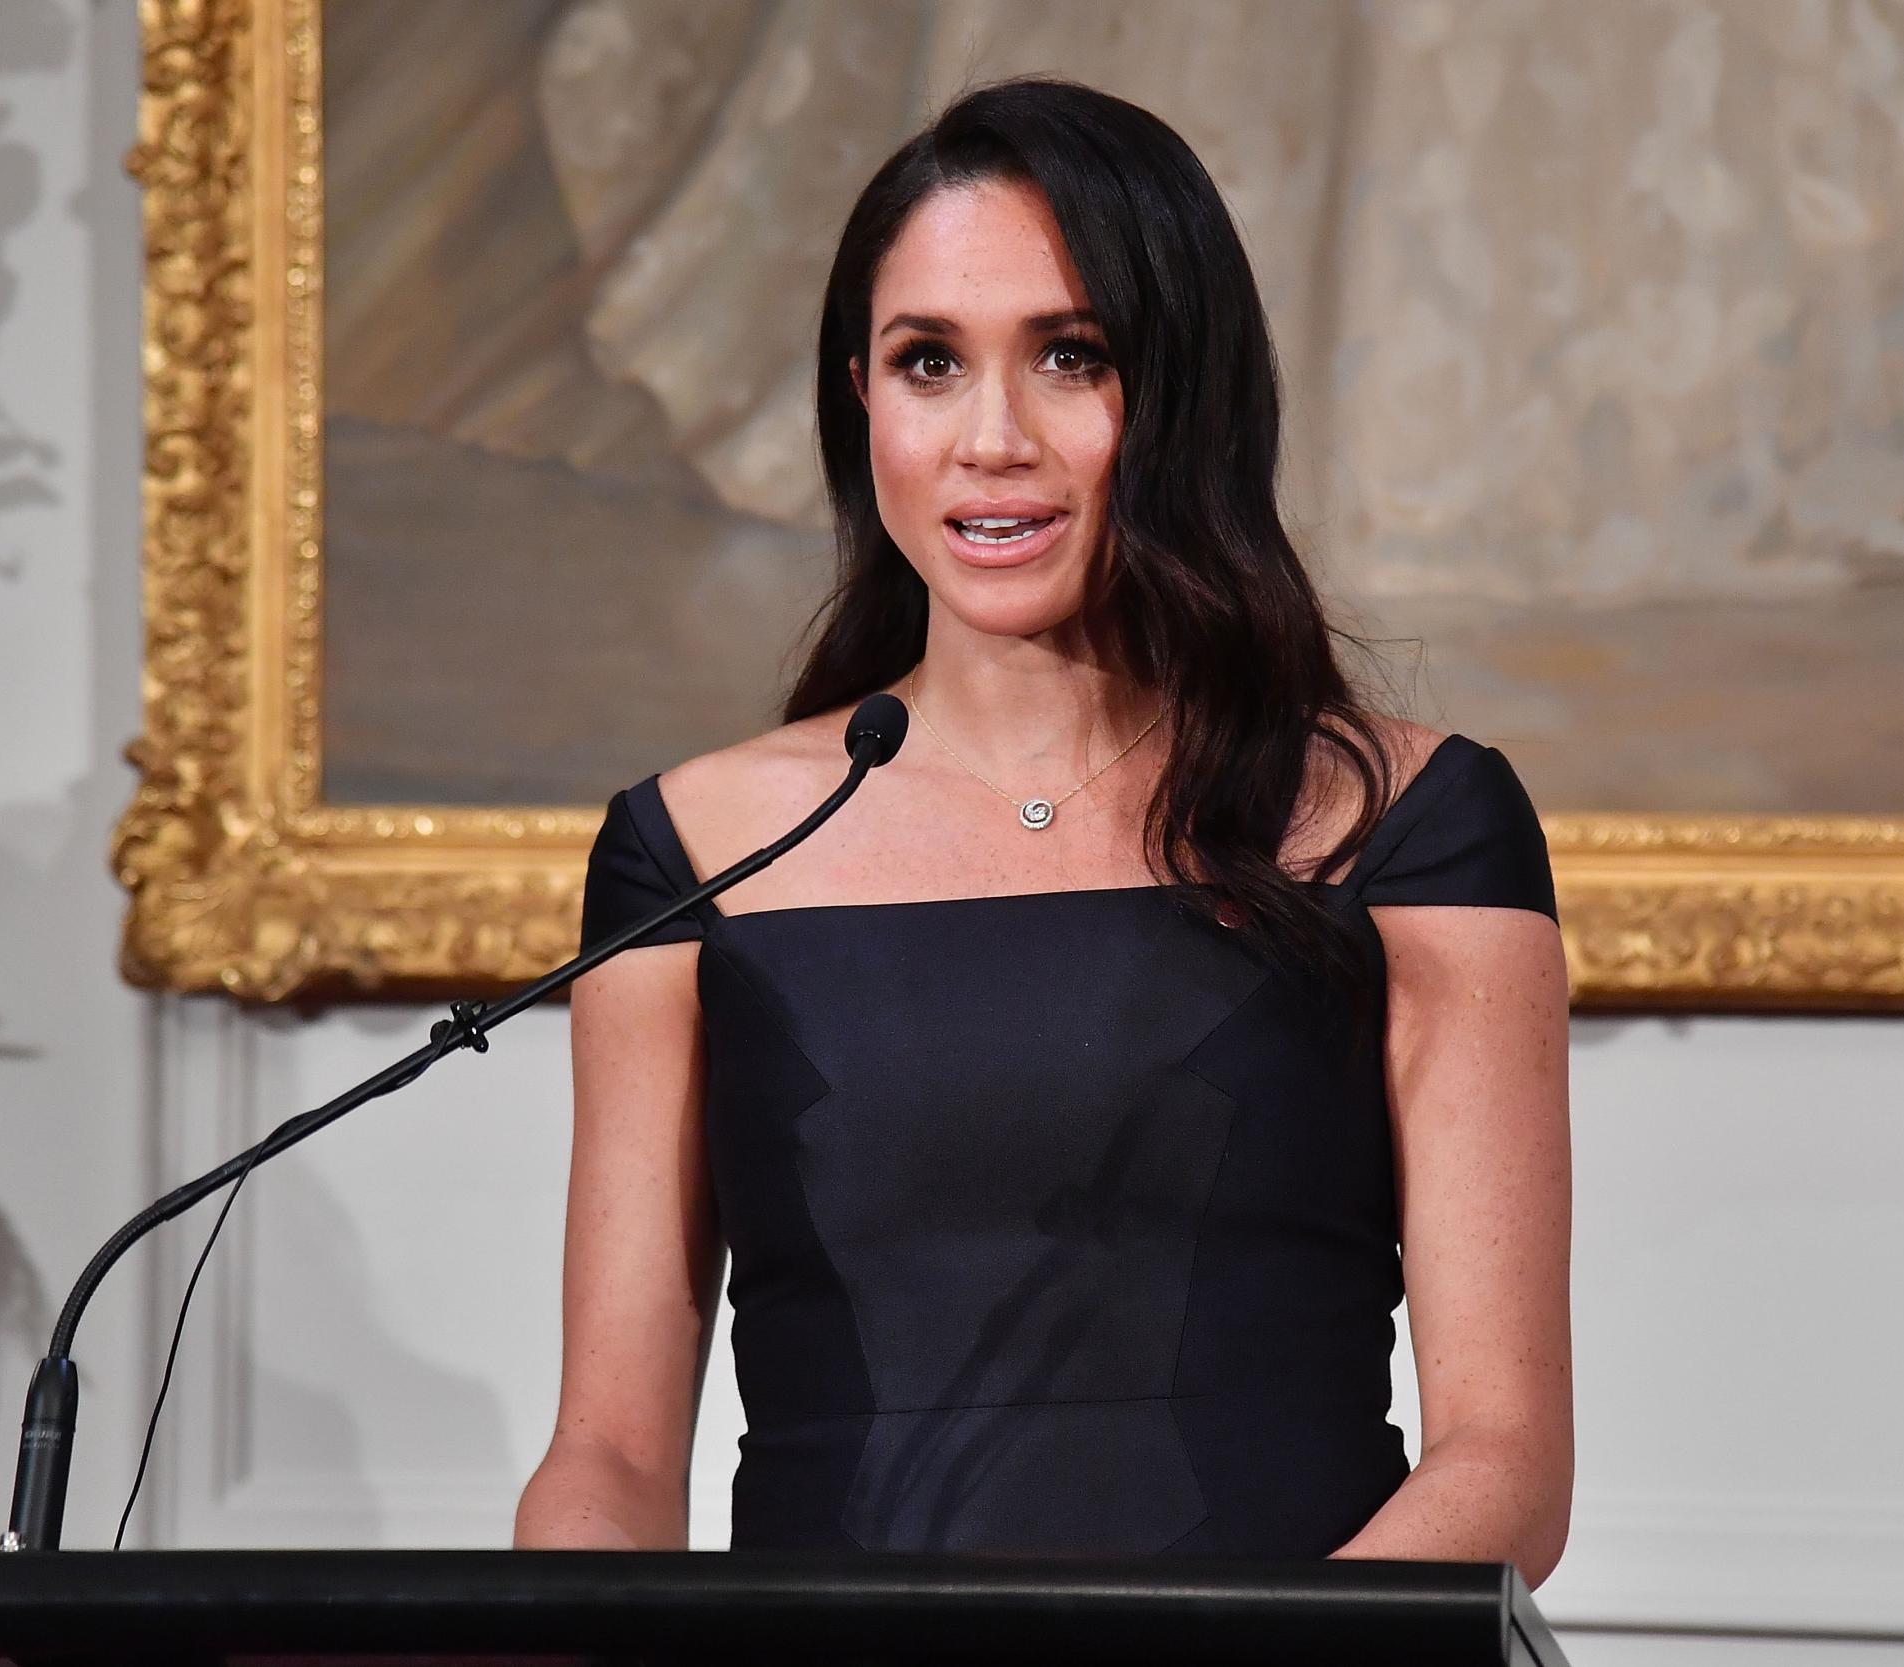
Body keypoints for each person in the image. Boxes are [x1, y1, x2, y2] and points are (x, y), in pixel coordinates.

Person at [514, 76, 1571, 1578]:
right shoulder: (694, 848)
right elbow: (606, 1455)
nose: (989, 438)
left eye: (1071, 357)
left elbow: (1509, 1463)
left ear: (1187, 394)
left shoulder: (1407, 825)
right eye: (927, 362)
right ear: (859, 403)